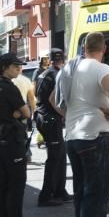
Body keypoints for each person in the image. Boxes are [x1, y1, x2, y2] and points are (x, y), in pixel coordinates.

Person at [53, 32, 109, 217]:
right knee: (97, 192)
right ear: (104, 49)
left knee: (82, 191)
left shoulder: (68, 69)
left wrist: (70, 114)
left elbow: (54, 100)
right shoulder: (102, 70)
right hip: (96, 136)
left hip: (73, 135)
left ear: (84, 47)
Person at [0, 53, 36, 217]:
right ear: (5, 67)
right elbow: (25, 112)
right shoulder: (9, 87)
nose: (19, 69)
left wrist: (15, 113)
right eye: (16, 66)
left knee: (3, 185)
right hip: (12, 141)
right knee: (16, 186)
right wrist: (17, 113)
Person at [36, 48, 70, 206]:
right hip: (50, 118)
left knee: (59, 155)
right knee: (55, 158)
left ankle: (59, 191)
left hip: (44, 118)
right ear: (62, 59)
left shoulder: (44, 73)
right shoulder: (57, 74)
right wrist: (65, 115)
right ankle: (46, 195)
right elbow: (52, 99)